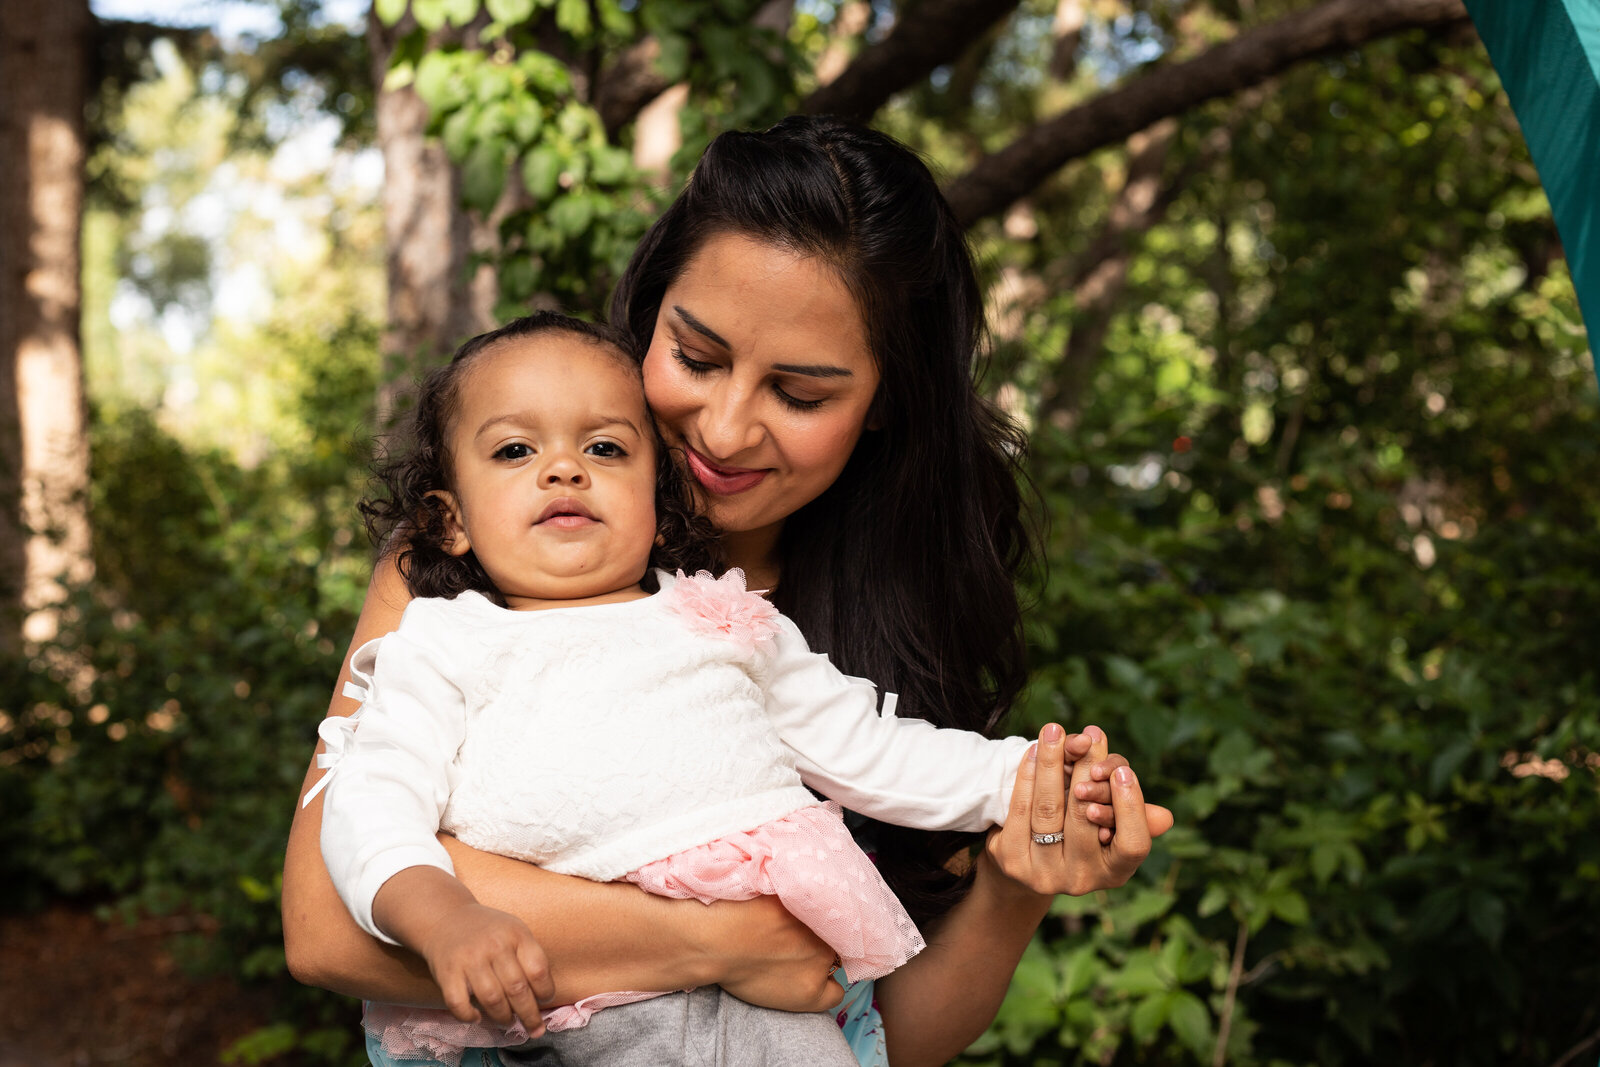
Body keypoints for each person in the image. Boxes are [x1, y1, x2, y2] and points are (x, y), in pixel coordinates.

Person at [283, 116, 1172, 1067]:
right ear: (652, 310)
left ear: (884, 408)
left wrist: (1018, 864)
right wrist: (723, 941)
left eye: (799, 394)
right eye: (697, 357)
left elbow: (881, 1031)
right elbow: (331, 927)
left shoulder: (843, 633)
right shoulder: (458, 582)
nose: (725, 428)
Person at [316, 311, 1098, 1066]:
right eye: (516, 449)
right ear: (448, 520)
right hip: (568, 1019)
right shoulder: (442, 644)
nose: (564, 467)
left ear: (657, 507)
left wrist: (1029, 780)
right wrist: (444, 915)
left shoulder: (720, 619)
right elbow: (371, 801)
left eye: (604, 447)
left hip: (775, 1019)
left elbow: (871, 749)